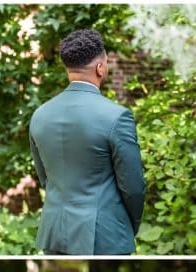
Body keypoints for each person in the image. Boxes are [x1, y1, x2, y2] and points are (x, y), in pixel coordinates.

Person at [29, 29, 145, 255]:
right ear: (100, 67)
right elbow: (133, 186)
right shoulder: (117, 116)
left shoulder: (40, 115)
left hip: (54, 234)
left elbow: (45, 178)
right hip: (103, 237)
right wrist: (127, 225)